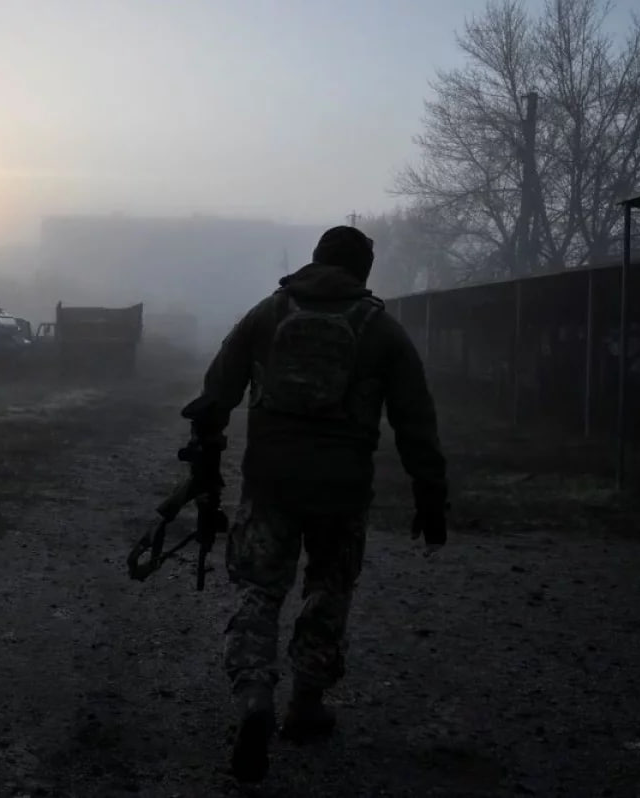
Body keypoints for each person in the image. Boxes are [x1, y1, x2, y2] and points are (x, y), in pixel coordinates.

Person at [178, 225, 449, 783]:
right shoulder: (382, 330)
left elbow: (217, 391)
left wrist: (205, 457)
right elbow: (415, 420)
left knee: (259, 591)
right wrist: (430, 494)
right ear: (362, 270)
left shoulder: (267, 313)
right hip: (342, 489)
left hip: (270, 481)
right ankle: (306, 703)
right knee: (329, 589)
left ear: (315, 260)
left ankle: (254, 696)